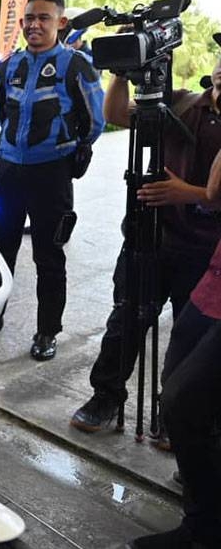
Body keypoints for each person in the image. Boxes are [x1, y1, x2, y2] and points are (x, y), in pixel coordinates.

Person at [71, 36, 221, 432]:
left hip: (206, 252)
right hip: (150, 236)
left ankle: (172, 413)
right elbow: (119, 113)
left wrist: (186, 193)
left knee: (189, 339)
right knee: (126, 321)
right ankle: (105, 396)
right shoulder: (185, 102)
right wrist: (121, 74)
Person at [0, 0, 105, 361]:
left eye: (44, 18)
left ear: (60, 23)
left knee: (49, 256)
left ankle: (46, 331)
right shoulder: (9, 65)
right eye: (30, 19)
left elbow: (95, 122)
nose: (35, 25)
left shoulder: (75, 66)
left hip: (51, 175)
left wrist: (64, 149)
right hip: (8, 170)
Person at [128, 148, 221, 549]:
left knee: (184, 401)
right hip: (214, 284)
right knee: (178, 395)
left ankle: (204, 530)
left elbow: (211, 193)